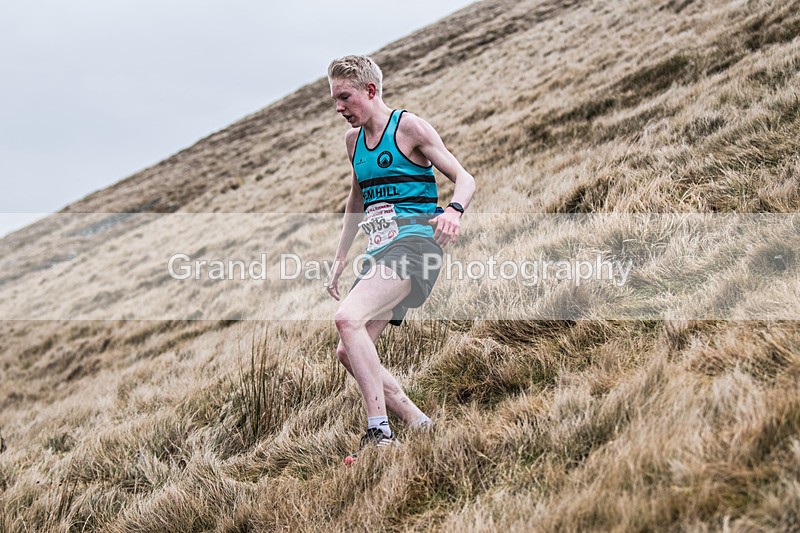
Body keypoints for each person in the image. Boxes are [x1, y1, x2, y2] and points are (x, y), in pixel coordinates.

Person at [325, 55, 476, 459]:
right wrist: (340, 256)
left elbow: (465, 178)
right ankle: (420, 424)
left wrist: (453, 212)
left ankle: (379, 433)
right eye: (334, 99)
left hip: (416, 246)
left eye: (345, 97)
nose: (339, 107)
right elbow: (357, 199)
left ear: (370, 90)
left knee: (347, 319)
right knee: (347, 351)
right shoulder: (353, 142)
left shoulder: (409, 128)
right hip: (380, 252)